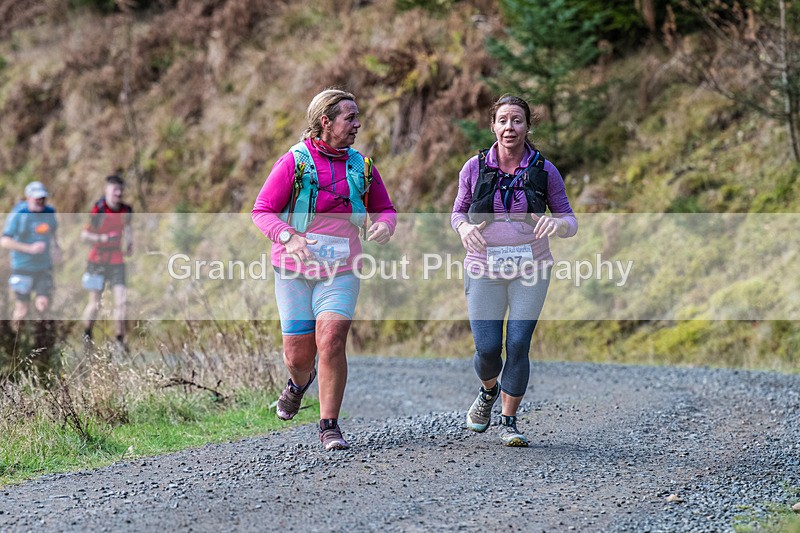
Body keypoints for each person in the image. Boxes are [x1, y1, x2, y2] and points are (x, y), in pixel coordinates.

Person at [252, 88, 397, 451]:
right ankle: (299, 383)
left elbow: (385, 209)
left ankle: (329, 425)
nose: (358, 124)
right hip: (293, 270)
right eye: (350, 117)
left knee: (331, 340)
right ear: (326, 122)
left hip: (341, 270)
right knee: (297, 355)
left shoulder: (361, 166)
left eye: (357, 117)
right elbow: (262, 211)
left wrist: (385, 225)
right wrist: (288, 237)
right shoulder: (294, 162)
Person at [451, 94, 578, 447]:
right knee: (488, 349)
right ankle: (488, 390)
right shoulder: (473, 167)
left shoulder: (545, 170)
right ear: (493, 126)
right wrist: (463, 228)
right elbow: (457, 212)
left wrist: (558, 225)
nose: (510, 127)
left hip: (531, 269)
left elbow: (569, 219)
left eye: (517, 120)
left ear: (527, 127)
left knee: (519, 344)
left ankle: (509, 421)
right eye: (503, 120)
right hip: (484, 268)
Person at [80, 174, 134, 352]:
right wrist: (103, 238)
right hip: (98, 260)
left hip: (117, 260)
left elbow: (128, 229)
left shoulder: (126, 210)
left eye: (121, 190)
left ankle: (120, 341)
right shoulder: (99, 209)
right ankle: (86, 335)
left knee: (122, 302)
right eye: (115, 190)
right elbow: (84, 235)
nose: (118, 193)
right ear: (106, 190)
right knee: (95, 303)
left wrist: (129, 243)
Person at [1, 181, 62, 329]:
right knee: (22, 309)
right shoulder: (19, 214)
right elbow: (5, 241)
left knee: (43, 305)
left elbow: (53, 233)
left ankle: (41, 339)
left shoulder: (49, 212)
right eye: (37, 199)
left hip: (44, 267)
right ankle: (15, 340)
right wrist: (29, 248)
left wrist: (56, 248)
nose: (41, 202)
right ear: (28, 198)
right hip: (22, 268)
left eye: (43, 199)